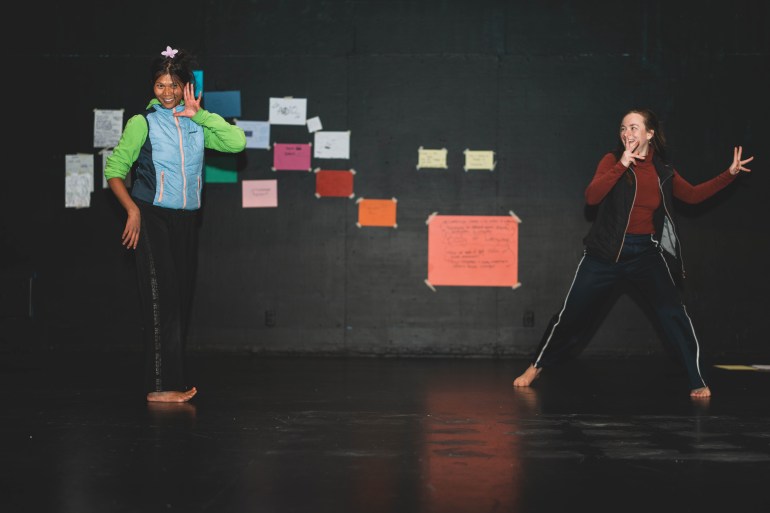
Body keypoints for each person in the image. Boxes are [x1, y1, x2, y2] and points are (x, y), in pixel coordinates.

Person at [512, 108, 754, 398]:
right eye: (624, 128)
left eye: (634, 127)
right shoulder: (612, 160)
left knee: (673, 314)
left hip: (645, 254)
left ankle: (696, 379)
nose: (628, 133)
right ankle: (536, 366)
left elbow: (692, 195)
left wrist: (729, 174)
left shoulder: (663, 171)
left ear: (650, 134)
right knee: (570, 316)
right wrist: (623, 164)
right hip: (604, 254)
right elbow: (592, 196)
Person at [104, 46, 246, 403]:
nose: (166, 92)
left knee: (178, 300)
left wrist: (201, 115)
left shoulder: (198, 125)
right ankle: (160, 388)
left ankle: (172, 383)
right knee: (160, 299)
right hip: (151, 217)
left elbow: (237, 142)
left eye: (173, 85)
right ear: (152, 86)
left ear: (186, 86)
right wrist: (132, 211)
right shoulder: (143, 123)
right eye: (159, 85)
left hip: (186, 220)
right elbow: (114, 171)